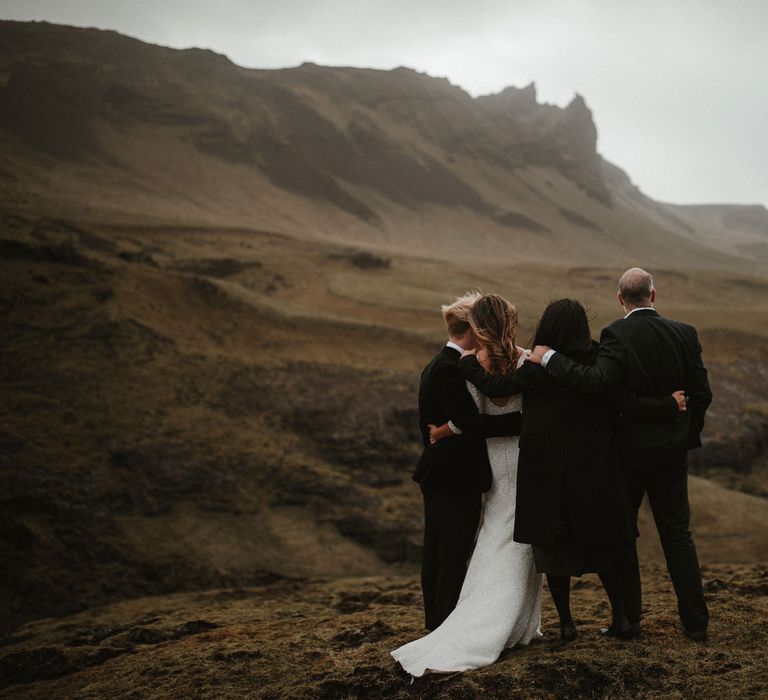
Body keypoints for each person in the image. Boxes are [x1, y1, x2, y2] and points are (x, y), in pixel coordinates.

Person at [457, 298, 682, 641]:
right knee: (606, 545)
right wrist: (666, 405)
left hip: (547, 471)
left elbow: (497, 388)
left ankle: (566, 624)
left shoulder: (537, 365)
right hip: (596, 469)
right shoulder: (595, 360)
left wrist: (468, 365)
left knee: (553, 548)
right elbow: (622, 400)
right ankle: (621, 618)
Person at [529, 268, 713, 642]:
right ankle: (695, 623)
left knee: (624, 535)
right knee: (678, 535)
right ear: (653, 295)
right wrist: (682, 432)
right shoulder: (685, 333)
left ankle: (628, 619)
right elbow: (702, 394)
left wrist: (548, 358)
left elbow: (600, 386)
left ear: (620, 299)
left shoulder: (617, 334)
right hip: (673, 452)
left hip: (629, 454)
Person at [392, 294, 542, 676]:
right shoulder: (525, 361)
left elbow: (469, 417)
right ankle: (477, 621)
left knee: (490, 534)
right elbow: (476, 417)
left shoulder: (468, 365)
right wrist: (524, 425)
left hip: (491, 461)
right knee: (501, 537)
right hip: (515, 457)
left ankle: (492, 618)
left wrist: (447, 429)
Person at [411, 291, 523, 633]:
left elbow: (458, 422)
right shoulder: (449, 368)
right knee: (452, 553)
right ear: (473, 329)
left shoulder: (438, 362)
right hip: (453, 478)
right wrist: (523, 422)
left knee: (438, 551)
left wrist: (446, 429)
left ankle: (436, 620)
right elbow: (472, 423)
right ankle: (443, 623)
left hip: (441, 475)